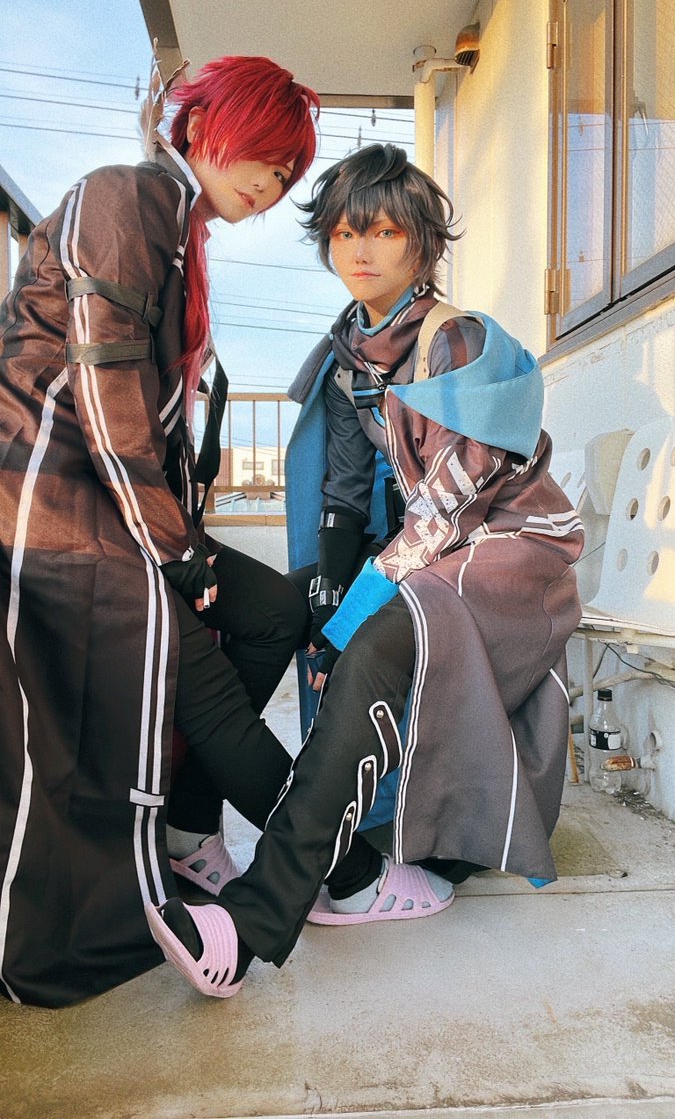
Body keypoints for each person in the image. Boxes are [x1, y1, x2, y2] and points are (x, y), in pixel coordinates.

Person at [144, 143, 584, 999]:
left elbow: (448, 506)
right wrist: (322, 603)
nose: (361, 250)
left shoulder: (458, 340)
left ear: (422, 242)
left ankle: (257, 917)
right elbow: (344, 496)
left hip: (512, 553)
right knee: (302, 622)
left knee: (373, 639)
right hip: (433, 555)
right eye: (345, 233)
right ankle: (212, 840)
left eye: (384, 231)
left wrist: (350, 622)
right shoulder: (349, 351)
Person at [0, 52, 320, 1007]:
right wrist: (178, 553)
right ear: (205, 126)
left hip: (115, 504)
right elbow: (105, 392)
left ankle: (187, 829)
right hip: (55, 507)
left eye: (286, 174)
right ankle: (336, 870)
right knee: (204, 678)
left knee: (269, 612)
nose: (269, 185)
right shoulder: (126, 197)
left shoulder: (177, 229)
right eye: (265, 155)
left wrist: (186, 545)